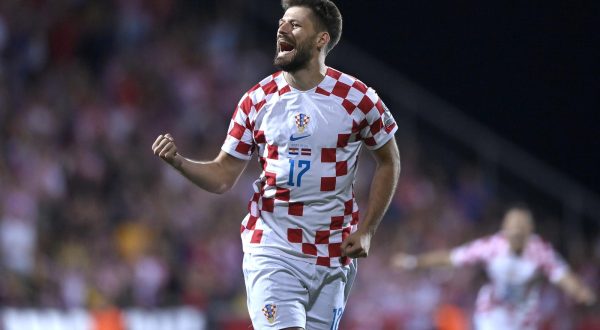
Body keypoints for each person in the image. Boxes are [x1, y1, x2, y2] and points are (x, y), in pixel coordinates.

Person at [152, 0, 401, 328]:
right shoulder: (256, 100)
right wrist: (180, 162)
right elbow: (224, 175)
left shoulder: (357, 98)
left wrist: (367, 230)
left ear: (321, 40)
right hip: (273, 247)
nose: (282, 28)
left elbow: (389, 161)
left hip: (334, 255)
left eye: (295, 24)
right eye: (282, 22)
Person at [391, 205, 596, 330]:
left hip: (523, 319)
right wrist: (413, 261)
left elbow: (561, 275)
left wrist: (579, 291)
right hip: (491, 315)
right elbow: (451, 257)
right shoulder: (493, 246)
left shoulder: (539, 249)